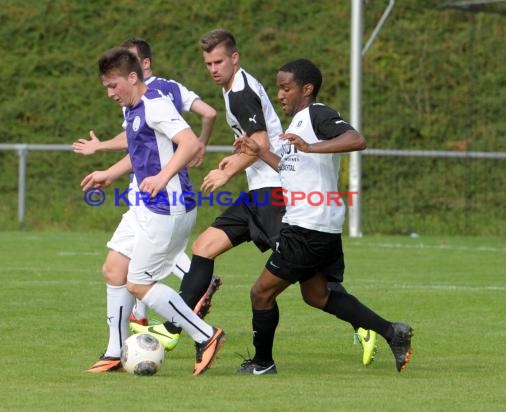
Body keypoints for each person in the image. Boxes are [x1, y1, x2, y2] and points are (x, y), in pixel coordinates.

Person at [134, 29, 378, 367]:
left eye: (219, 61)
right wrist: (231, 160)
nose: (213, 68)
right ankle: (177, 325)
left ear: (235, 58)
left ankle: (362, 324)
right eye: (208, 63)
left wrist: (226, 172)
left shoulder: (241, 93)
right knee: (204, 247)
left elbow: (261, 142)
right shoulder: (236, 87)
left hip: (274, 194)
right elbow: (253, 142)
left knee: (308, 283)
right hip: (261, 191)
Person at [233, 58, 413, 374]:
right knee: (317, 296)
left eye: (286, 88)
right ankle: (391, 332)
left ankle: (262, 364)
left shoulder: (317, 114)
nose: (280, 94)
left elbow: (356, 140)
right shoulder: (298, 125)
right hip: (318, 228)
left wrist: (311, 148)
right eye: (278, 88)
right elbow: (290, 169)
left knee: (260, 293)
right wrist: (259, 151)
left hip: (307, 227)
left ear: (307, 89)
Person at [82, 47, 224, 375]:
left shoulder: (156, 104)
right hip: (145, 206)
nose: (109, 92)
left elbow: (188, 143)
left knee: (139, 284)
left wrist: (162, 176)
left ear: (133, 77)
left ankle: (205, 334)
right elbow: (138, 150)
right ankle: (115, 352)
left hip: (167, 207)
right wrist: (109, 173)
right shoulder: (133, 109)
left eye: (113, 85)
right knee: (114, 269)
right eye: (106, 86)